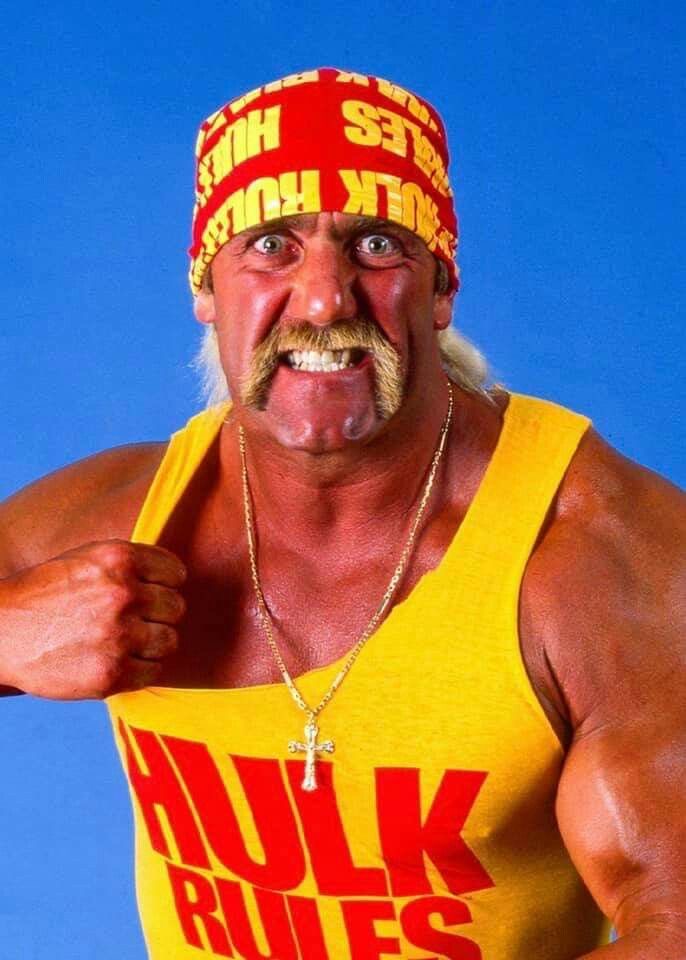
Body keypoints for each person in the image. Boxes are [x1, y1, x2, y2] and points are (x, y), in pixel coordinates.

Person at [0, 67, 684, 960]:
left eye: (376, 245)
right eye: (271, 246)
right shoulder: (127, 516)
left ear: (440, 288)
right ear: (206, 289)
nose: (325, 300)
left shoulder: (597, 555)